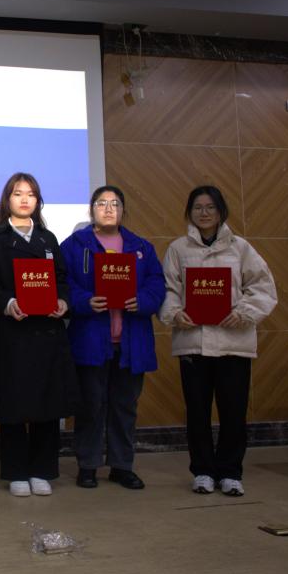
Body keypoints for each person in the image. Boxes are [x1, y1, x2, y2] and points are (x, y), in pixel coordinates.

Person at [159, 186, 277, 497]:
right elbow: (168, 289)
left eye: (210, 207)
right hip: (193, 342)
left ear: (221, 210)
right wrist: (174, 313)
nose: (204, 213)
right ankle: (202, 471)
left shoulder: (241, 248)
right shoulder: (178, 249)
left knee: (233, 411)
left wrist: (245, 312)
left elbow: (263, 287)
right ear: (189, 212)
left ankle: (230, 472)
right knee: (197, 412)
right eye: (198, 207)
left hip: (233, 342)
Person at [60, 185, 165, 490]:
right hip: (91, 339)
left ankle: (122, 465)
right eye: (101, 203)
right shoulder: (74, 245)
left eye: (115, 204)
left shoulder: (140, 247)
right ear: (91, 209)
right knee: (90, 406)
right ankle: (88, 465)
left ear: (123, 210)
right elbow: (62, 283)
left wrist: (142, 301)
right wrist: (84, 301)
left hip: (131, 341)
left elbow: (157, 284)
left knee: (125, 406)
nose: (108, 209)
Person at [0, 172, 78, 497]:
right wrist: (8, 304)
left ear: (38, 200)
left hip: (48, 332)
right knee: (14, 403)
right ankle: (16, 472)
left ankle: (42, 470)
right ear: (7, 199)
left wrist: (62, 301)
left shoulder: (48, 239)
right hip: (14, 332)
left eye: (31, 194)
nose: (24, 199)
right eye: (17, 193)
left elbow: (61, 279)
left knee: (47, 403)